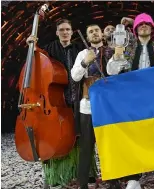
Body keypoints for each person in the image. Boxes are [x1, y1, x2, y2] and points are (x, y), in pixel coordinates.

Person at [107, 13, 154, 189]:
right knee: (133, 137)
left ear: (153, 28)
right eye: (140, 24)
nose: (144, 26)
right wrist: (117, 56)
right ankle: (134, 178)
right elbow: (111, 71)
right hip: (131, 100)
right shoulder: (126, 47)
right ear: (135, 29)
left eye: (147, 24)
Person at [26, 19, 87, 189]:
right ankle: (55, 175)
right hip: (56, 99)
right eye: (62, 30)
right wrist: (32, 47)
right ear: (57, 32)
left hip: (77, 97)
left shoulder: (79, 49)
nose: (65, 32)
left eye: (68, 29)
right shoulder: (50, 49)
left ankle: (79, 173)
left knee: (78, 134)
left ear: (72, 32)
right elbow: (38, 62)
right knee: (55, 134)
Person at [71, 23, 115, 189]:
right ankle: (82, 183)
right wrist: (84, 63)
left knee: (109, 145)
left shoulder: (112, 50)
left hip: (108, 105)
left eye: (97, 30)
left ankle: (113, 181)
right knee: (86, 146)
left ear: (102, 34)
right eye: (90, 32)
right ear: (87, 37)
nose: (94, 33)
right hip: (88, 105)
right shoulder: (83, 53)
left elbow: (116, 73)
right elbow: (75, 77)